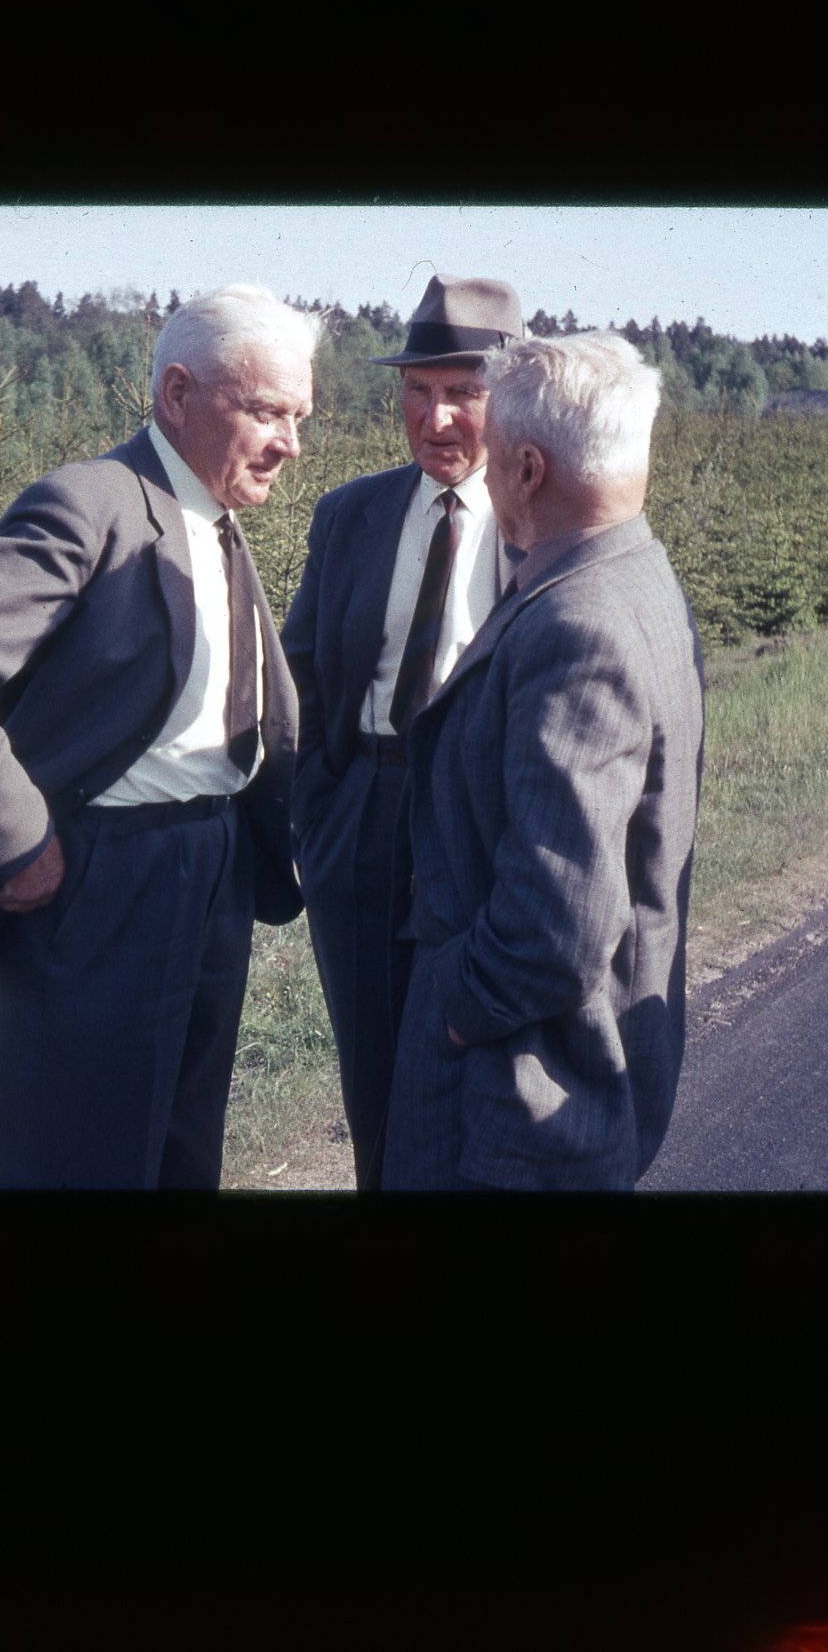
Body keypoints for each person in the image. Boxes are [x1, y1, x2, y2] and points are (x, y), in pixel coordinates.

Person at [0, 284, 320, 1189]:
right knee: (76, 1156)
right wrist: (17, 843)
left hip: (213, 869)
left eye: (298, 416)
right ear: (177, 394)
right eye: (267, 411)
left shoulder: (216, 515)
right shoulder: (93, 503)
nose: (290, 443)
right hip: (107, 882)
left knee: (182, 1151)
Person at [381, 331, 704, 1191]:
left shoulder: (576, 625)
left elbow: (557, 926)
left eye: (493, 461)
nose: (484, 478)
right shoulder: (637, 576)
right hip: (557, 1065)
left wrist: (451, 1007)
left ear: (527, 470)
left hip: (520, 1086)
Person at [280, 273, 525, 1188]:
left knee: (476, 1074)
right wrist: (321, 811)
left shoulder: (544, 522)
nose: (437, 419)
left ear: (512, 398)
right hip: (363, 817)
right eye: (417, 392)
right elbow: (298, 671)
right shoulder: (351, 512)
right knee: (374, 1085)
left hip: (480, 824)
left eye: (463, 393)